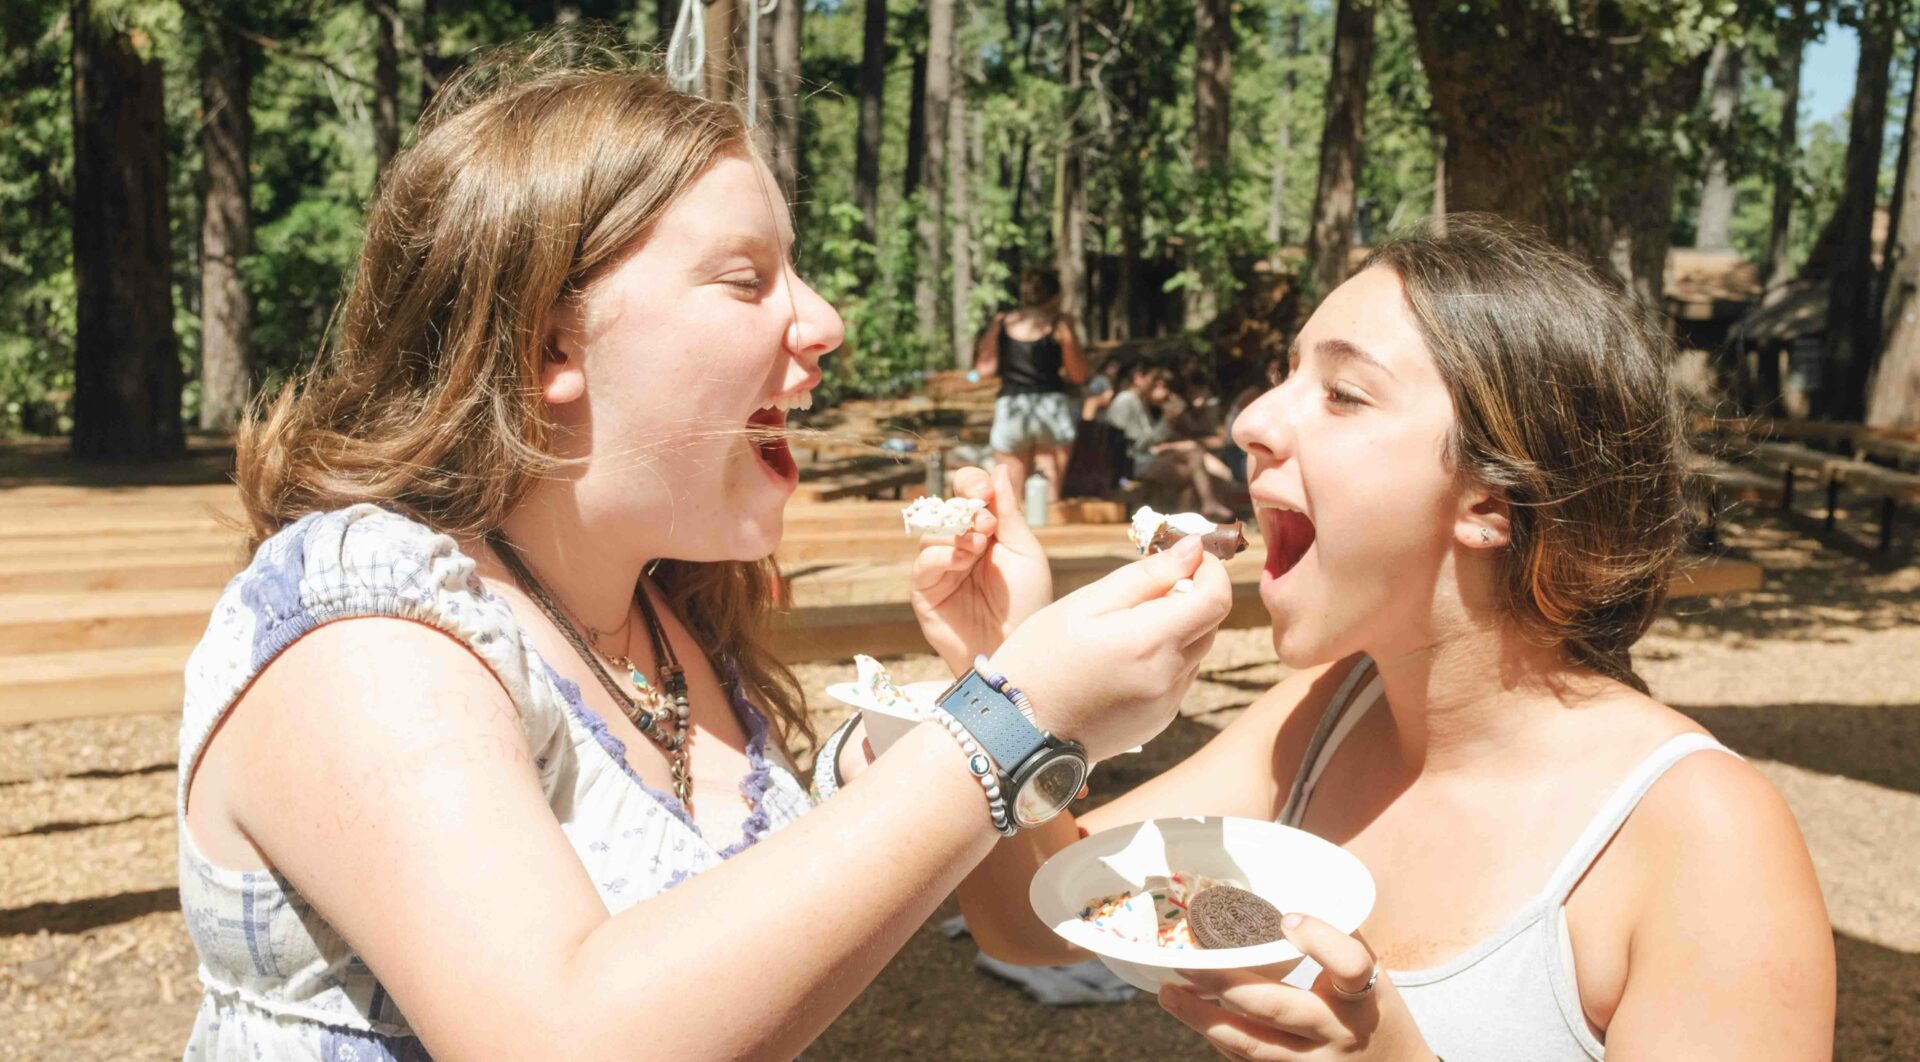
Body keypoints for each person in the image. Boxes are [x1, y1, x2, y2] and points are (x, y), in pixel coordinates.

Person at [174, 38, 1232, 1060]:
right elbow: (564, 1043)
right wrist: (1006, 724)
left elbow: (985, 928)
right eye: (746, 278)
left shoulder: (665, 616)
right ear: (549, 341)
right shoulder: (364, 628)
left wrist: (987, 676)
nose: (824, 321)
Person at [916, 216, 1835, 1060]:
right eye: (1287, 374)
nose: (1251, 421)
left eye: (1344, 394)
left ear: (1490, 503)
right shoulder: (1330, 713)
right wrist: (1001, 682)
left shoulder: (1703, 836)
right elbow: (1032, 920)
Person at [976, 269, 1089, 503]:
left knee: (1010, 497)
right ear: (1055, 296)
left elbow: (984, 370)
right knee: (1047, 497)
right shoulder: (1059, 324)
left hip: (1011, 408)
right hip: (1050, 408)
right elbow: (1078, 374)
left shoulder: (1002, 323)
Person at [1106, 363, 1240, 521]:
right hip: (1134, 463)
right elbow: (1136, 445)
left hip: (1146, 457)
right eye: (1155, 380)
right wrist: (1166, 421)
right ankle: (1192, 514)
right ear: (1138, 377)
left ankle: (1200, 509)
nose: (1159, 385)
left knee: (1194, 455)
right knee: (1192, 473)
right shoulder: (1126, 400)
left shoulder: (1139, 401)